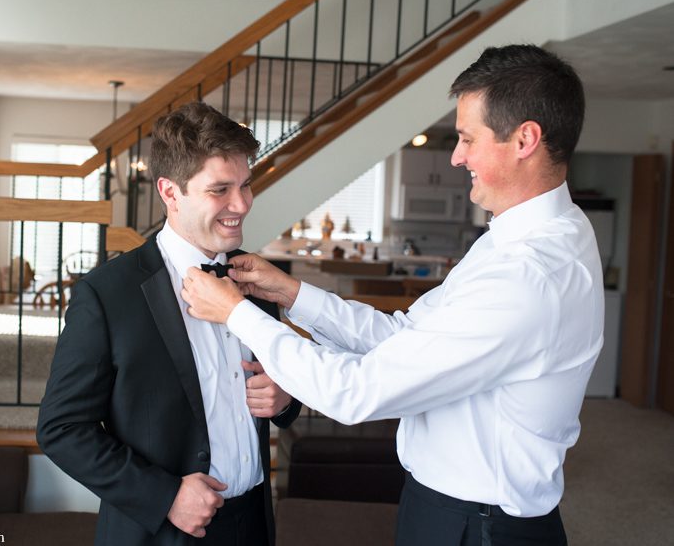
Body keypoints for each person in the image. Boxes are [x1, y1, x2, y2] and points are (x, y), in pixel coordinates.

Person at [182, 44, 602, 545]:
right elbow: (403, 335)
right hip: (449, 508)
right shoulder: (523, 238)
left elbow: (356, 392)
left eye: (468, 138)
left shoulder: (527, 275)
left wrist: (237, 314)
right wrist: (293, 294)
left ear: (524, 140)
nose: (457, 155)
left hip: (479, 527)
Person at [37, 101, 301, 546]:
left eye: (246, 185)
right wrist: (164, 497)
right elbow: (60, 429)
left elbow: (276, 386)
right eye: (220, 189)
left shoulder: (255, 277)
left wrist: (284, 398)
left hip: (254, 524)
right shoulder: (107, 295)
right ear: (170, 192)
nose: (241, 204)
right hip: (161, 532)